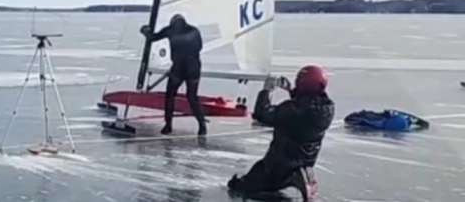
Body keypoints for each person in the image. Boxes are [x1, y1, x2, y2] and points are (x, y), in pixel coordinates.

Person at [227, 65, 335, 202]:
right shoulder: (328, 108)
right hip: (306, 160)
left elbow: (262, 114)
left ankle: (292, 177)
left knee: (238, 186)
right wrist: (291, 91)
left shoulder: (291, 109)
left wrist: (266, 90)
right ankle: (299, 174)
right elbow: (305, 108)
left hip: (278, 165)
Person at [140, 13, 207, 136]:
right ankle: (201, 124)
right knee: (191, 97)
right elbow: (199, 47)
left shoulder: (170, 31)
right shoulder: (193, 31)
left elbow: (153, 37)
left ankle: (168, 125)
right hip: (193, 66)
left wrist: (145, 31)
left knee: (170, 95)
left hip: (180, 67)